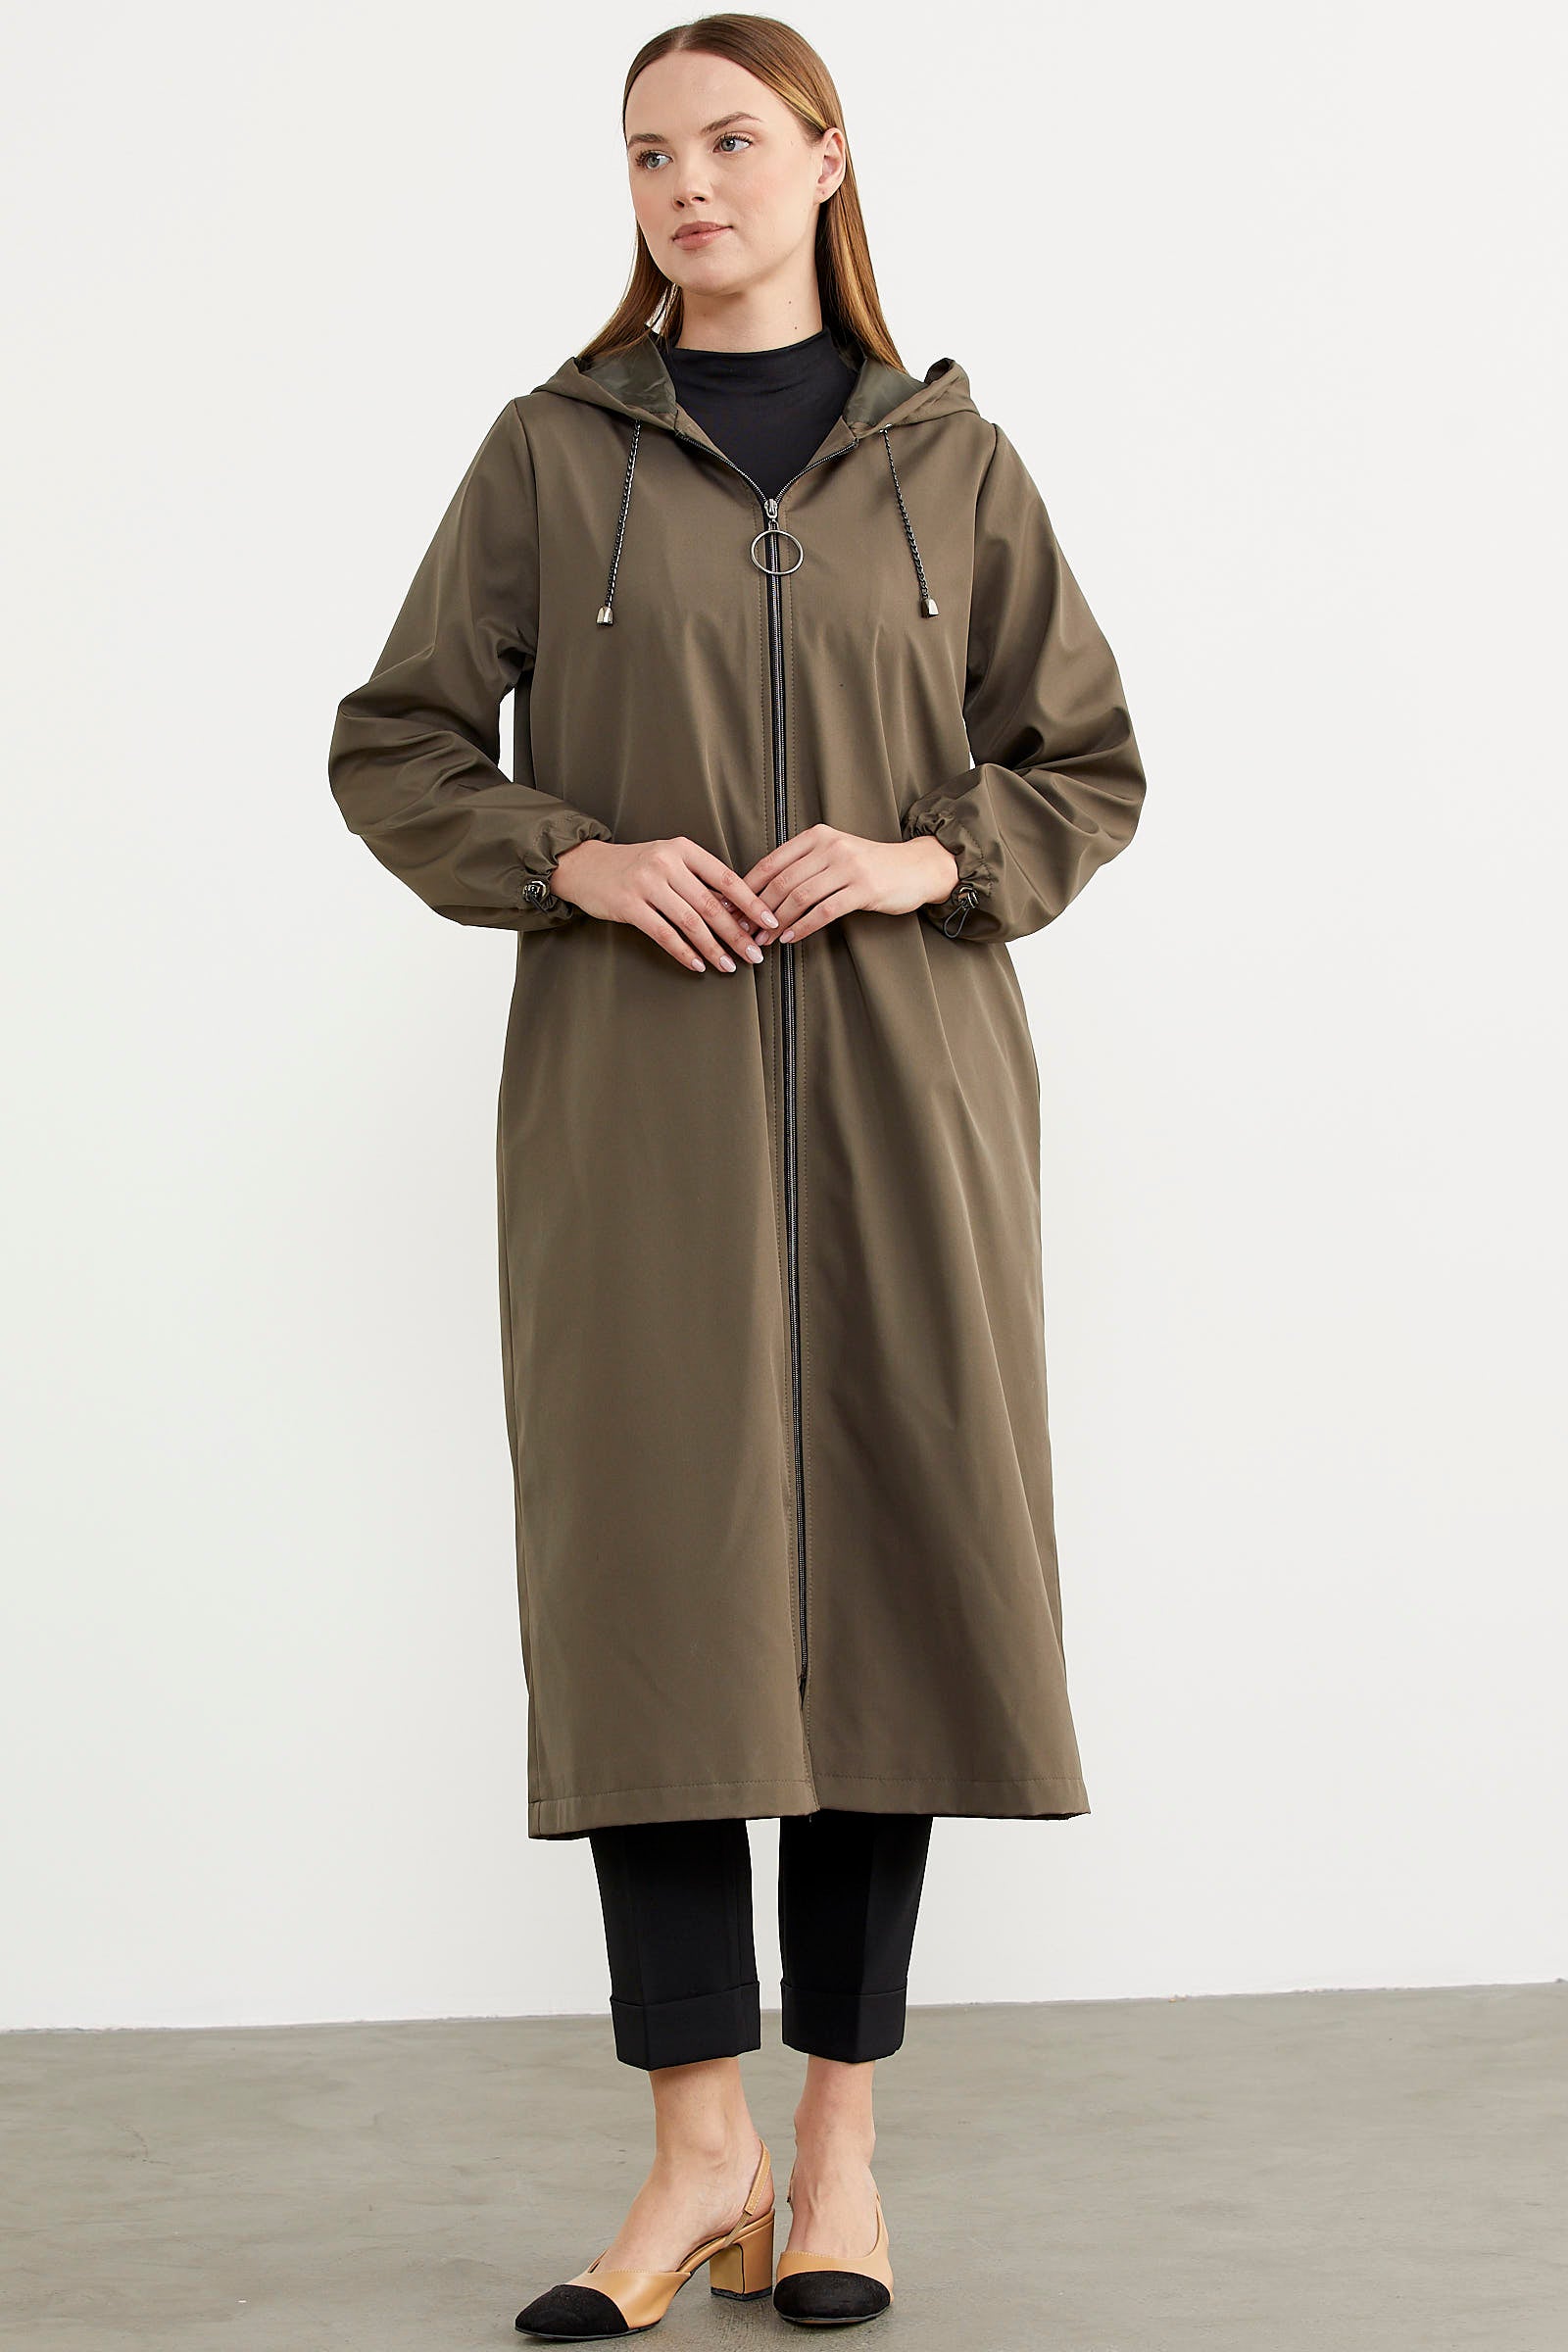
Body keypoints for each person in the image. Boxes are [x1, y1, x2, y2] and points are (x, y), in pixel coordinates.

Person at [326, 15, 1147, 2337]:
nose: (683, 184)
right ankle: (696, 2156)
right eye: (643, 154)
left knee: (888, 1588)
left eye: (725, 141)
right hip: (636, 1108)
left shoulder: (951, 462)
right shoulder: (548, 453)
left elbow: (1082, 763)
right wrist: (570, 859)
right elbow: (395, 744)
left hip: (905, 1098)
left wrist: (920, 855)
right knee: (655, 1606)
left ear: (823, 160)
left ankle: (838, 2153)